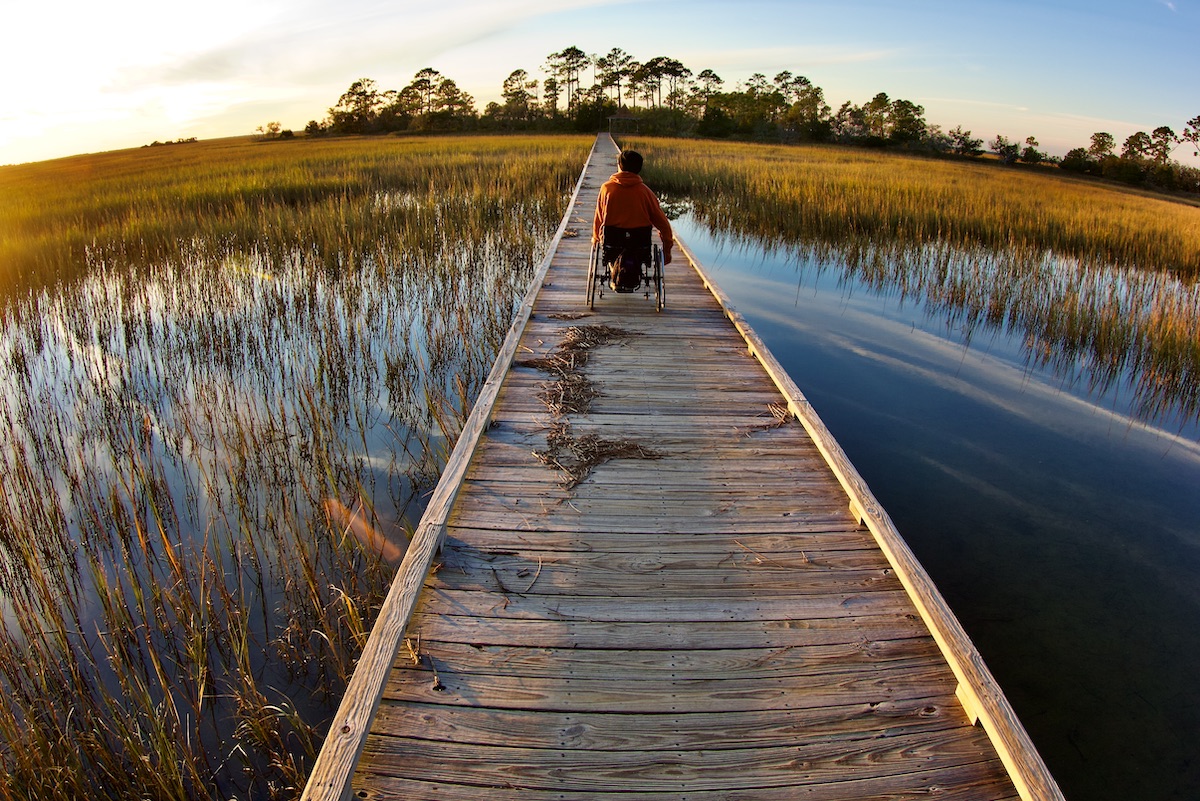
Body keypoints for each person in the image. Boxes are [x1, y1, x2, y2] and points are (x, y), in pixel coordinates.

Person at [591, 149, 674, 291]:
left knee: (612, 248)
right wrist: (667, 249)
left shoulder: (606, 189)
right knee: (636, 249)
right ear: (639, 169)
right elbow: (663, 225)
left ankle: (615, 272)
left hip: (612, 245)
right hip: (640, 246)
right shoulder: (646, 192)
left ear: (619, 166)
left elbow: (599, 218)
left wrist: (596, 239)